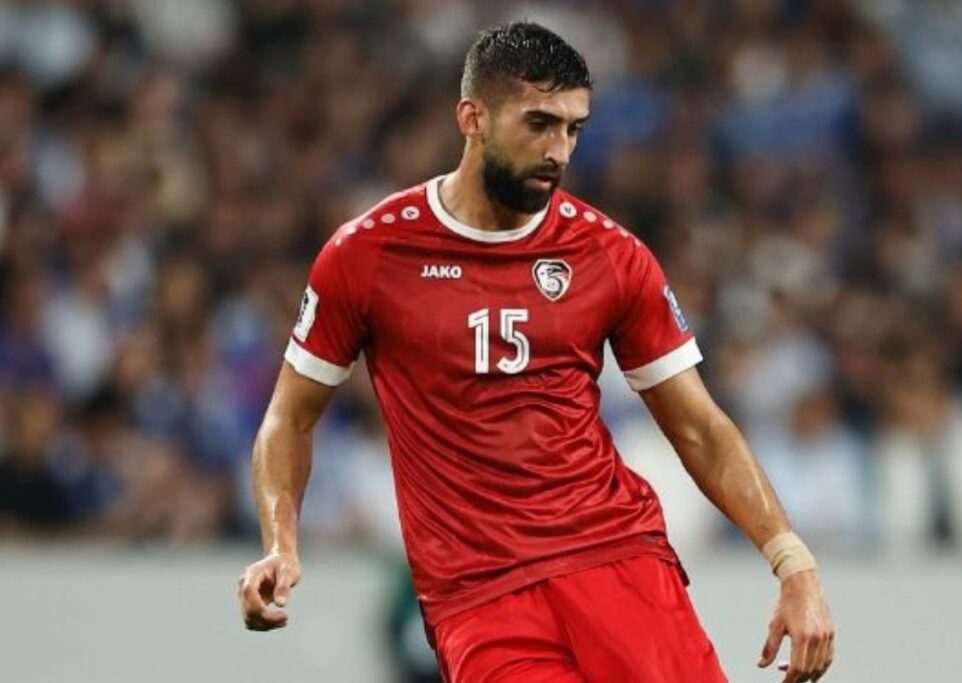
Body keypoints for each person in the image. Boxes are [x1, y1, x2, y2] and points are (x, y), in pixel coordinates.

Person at [237, 22, 834, 683]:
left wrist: (792, 561)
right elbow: (288, 416)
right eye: (540, 124)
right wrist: (279, 543)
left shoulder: (610, 255)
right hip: (478, 594)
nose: (560, 149)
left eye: (574, 128)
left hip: (615, 559)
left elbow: (699, 425)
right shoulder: (367, 255)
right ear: (473, 117)